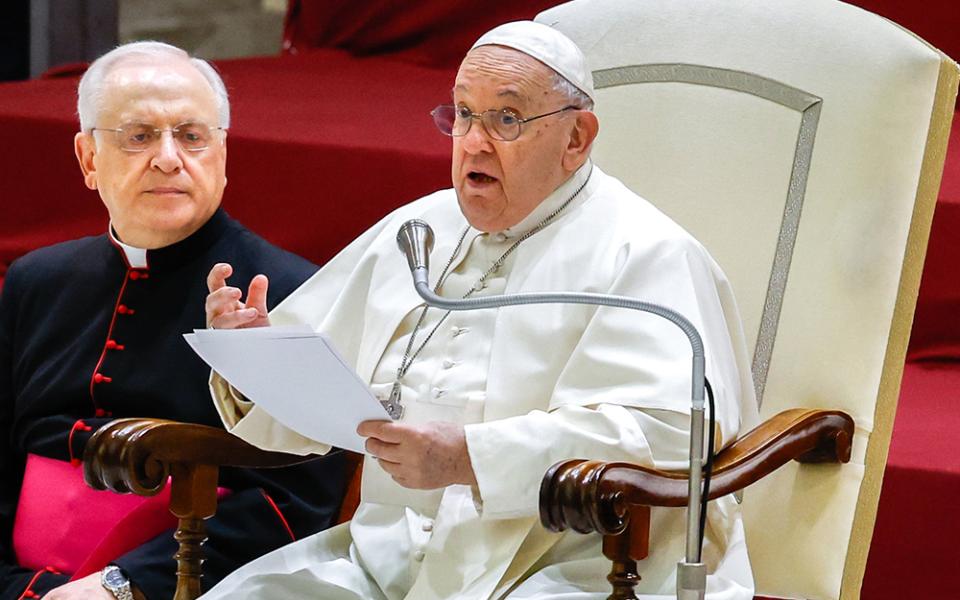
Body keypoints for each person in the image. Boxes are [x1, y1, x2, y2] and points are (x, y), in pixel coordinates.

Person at [203, 21, 759, 600]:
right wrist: (255, 356)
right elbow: (314, 402)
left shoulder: (645, 251)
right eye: (463, 114)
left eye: (507, 119)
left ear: (577, 138)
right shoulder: (416, 230)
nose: (473, 141)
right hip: (385, 560)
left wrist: (472, 457)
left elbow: (671, 432)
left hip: (573, 564)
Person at [0, 42, 348, 600]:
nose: (168, 157)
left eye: (191, 136)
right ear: (89, 159)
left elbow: (294, 505)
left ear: (223, 154)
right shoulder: (36, 280)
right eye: (139, 136)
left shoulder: (292, 291)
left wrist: (124, 585)